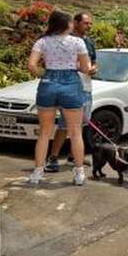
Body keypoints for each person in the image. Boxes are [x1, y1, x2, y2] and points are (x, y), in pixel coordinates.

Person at [27, 10, 92, 185]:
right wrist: (81, 66)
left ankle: (38, 172)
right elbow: (86, 69)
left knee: (44, 132)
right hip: (71, 84)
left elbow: (31, 65)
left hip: (48, 83)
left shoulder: (42, 42)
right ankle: (78, 174)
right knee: (75, 132)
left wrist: (44, 74)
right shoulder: (78, 42)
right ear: (67, 24)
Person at [45, 12, 97, 173]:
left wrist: (93, 68)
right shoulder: (65, 41)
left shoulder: (89, 42)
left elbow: (93, 61)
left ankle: (74, 156)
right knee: (64, 125)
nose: (88, 26)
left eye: (90, 24)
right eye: (85, 23)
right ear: (75, 23)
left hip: (86, 88)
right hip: (70, 87)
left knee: (80, 125)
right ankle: (53, 158)